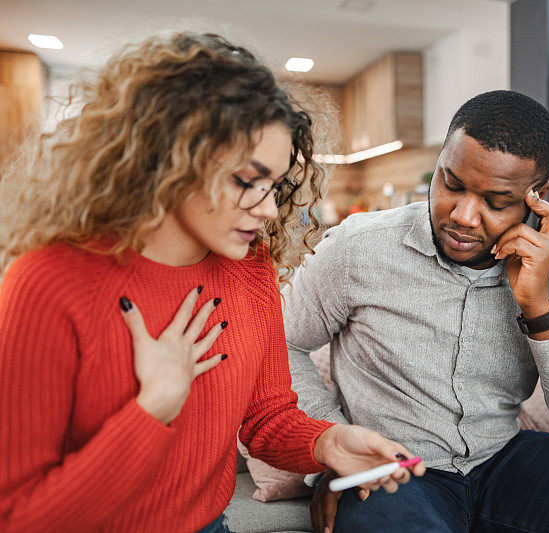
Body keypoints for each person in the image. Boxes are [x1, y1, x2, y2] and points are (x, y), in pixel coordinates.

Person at [0, 32, 424, 533]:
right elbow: (18, 516)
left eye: (275, 185)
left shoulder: (249, 267)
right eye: (247, 181)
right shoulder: (49, 282)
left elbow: (266, 418)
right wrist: (154, 406)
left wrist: (325, 442)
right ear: (169, 159)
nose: (268, 210)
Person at [284, 90, 549, 532]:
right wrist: (331, 445)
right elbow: (281, 344)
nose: (464, 216)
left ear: (538, 198)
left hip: (504, 459)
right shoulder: (359, 248)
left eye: (495, 202)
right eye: (451, 184)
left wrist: (539, 311)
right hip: (395, 471)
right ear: (439, 162)